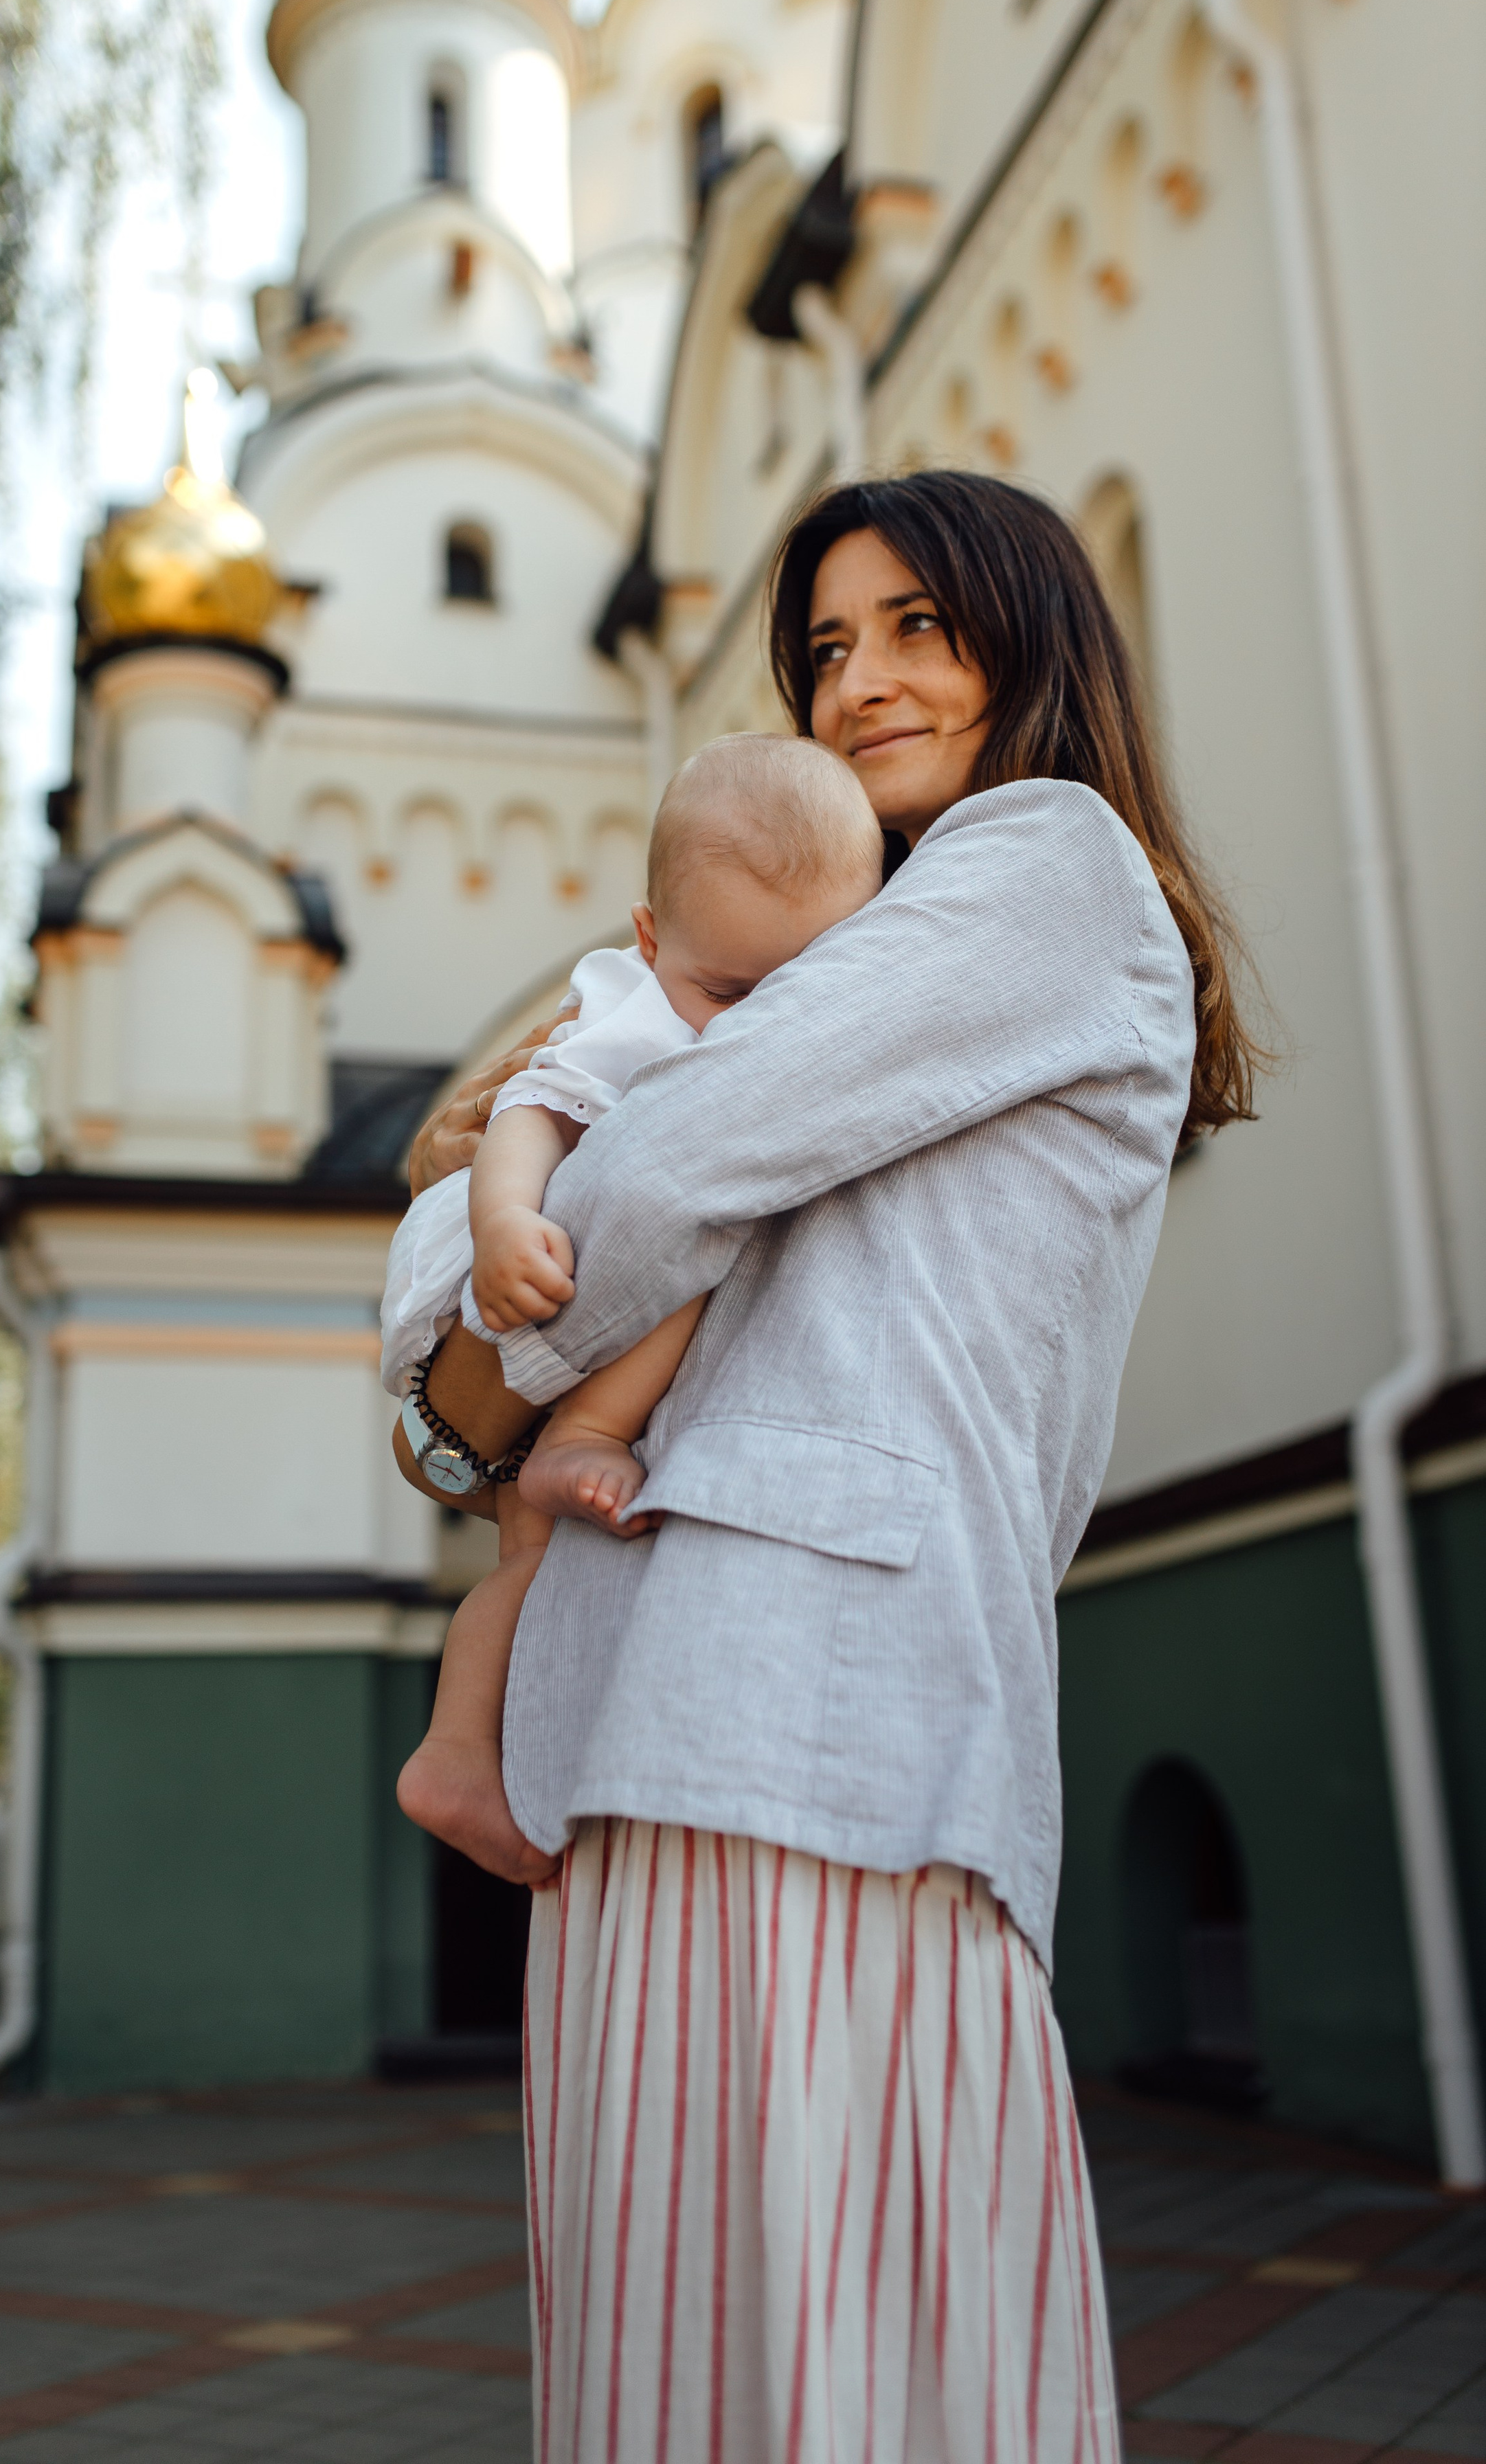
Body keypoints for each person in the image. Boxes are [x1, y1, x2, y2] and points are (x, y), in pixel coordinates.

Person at [396, 471, 1262, 2461]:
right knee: (706, 2358)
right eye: (825, 648)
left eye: (916, 629)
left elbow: (657, 1162)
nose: (859, 683)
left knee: (835, 2355)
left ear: (1033, 639)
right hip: (671, 1711)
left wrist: (463, 1392)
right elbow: (549, 1165)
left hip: (816, 1712)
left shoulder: (1045, 860)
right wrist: (485, 1303)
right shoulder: (821, 949)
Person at [388, 736, 884, 1885]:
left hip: (535, 1301)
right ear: (651, 939)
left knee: (522, 1560)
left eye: (784, 996)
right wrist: (505, 1223)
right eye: (720, 995)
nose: (738, 1029)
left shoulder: (728, 972)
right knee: (693, 1227)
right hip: (495, 1261)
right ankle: (589, 1436)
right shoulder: (629, 1006)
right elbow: (531, 1108)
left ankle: (455, 1754)